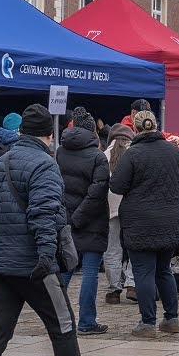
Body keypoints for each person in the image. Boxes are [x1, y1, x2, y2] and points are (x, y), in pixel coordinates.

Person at [0, 104, 121, 356]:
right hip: (34, 264)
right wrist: (47, 256)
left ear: (22, 131)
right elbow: (44, 214)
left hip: (1, 264)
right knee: (63, 325)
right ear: (49, 135)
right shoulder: (44, 164)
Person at [108, 109, 179, 337]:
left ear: (135, 128)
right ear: (156, 126)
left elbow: (117, 186)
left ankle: (148, 322)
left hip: (140, 222)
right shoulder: (174, 152)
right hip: (169, 219)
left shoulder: (132, 154)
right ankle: (171, 319)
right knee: (164, 270)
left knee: (143, 272)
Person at [56, 109, 110, 334]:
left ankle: (57, 318)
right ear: (92, 131)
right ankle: (86, 321)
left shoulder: (59, 152)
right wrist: (80, 217)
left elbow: (56, 186)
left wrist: (71, 218)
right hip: (92, 221)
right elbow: (98, 192)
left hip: (67, 220)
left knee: (65, 270)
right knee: (90, 272)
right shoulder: (98, 156)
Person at [102, 122, 135, 303]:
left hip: (110, 208)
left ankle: (114, 289)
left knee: (112, 248)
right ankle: (132, 284)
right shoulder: (135, 153)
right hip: (132, 207)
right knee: (135, 246)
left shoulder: (104, 155)